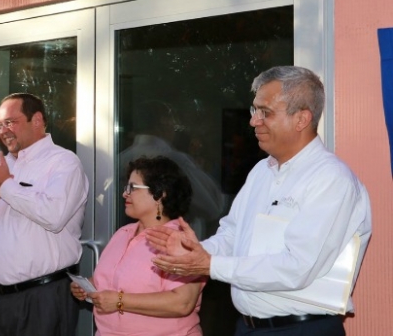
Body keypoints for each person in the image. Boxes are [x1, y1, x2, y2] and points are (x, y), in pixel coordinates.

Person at [146, 66, 373, 336]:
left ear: (302, 119)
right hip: (248, 327)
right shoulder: (261, 171)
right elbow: (233, 234)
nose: (254, 121)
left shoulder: (331, 179)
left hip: (302, 329)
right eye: (255, 110)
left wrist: (210, 265)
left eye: (266, 112)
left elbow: (297, 268)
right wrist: (194, 251)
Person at [0, 92, 89, 336]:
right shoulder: (2, 165)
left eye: (10, 122)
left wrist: (5, 186)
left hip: (43, 296)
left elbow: (54, 216)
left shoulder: (64, 162)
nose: (3, 131)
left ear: (37, 120)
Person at [71, 156, 205, 336]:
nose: (125, 194)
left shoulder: (179, 242)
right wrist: (87, 286)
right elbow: (111, 280)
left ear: (160, 194)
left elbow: (182, 303)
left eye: (132, 188)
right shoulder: (123, 233)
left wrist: (120, 301)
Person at [118, 100, 224, 239]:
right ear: (164, 122)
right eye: (173, 121)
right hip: (168, 242)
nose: (175, 127)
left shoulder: (120, 159)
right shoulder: (175, 161)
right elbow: (212, 206)